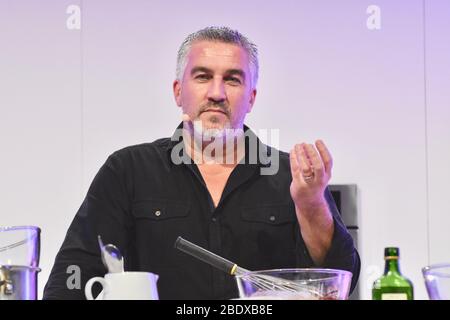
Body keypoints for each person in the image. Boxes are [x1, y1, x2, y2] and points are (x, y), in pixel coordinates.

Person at [43, 26, 360, 300]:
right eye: (203, 76)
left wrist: (312, 204)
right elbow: (72, 276)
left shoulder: (290, 176)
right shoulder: (128, 170)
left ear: (251, 97)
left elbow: (341, 282)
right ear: (178, 92)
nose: (217, 93)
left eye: (233, 80)